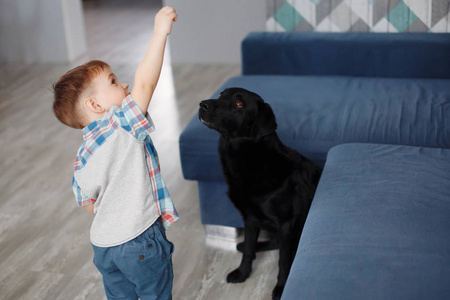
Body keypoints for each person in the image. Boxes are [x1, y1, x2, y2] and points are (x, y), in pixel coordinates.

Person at [52, 6, 179, 300]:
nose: (123, 84)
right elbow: (145, 83)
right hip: (139, 241)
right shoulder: (122, 123)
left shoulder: (82, 155)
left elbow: (85, 201)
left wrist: (114, 213)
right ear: (96, 106)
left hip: (103, 245)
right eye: (113, 81)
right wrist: (160, 32)